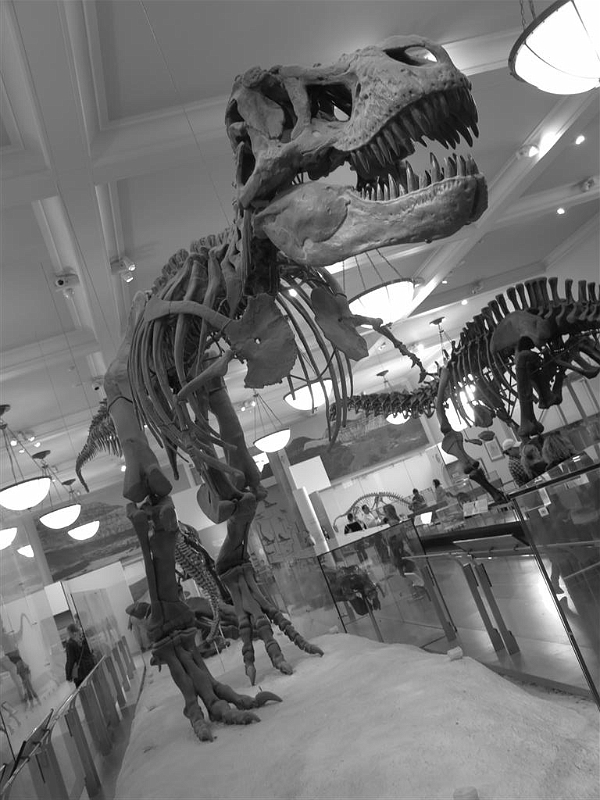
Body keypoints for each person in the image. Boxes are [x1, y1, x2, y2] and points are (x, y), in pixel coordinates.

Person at [65, 623, 96, 688]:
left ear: (73, 633)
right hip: (90, 668)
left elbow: (70, 661)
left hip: (80, 674)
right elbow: (91, 651)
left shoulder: (70, 644)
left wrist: (68, 676)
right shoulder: (84, 640)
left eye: (68, 633)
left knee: (84, 691)